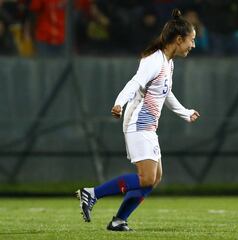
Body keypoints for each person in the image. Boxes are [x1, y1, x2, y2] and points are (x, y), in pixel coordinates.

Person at [76, 8, 200, 232]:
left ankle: (118, 221)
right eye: (191, 40)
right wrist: (119, 103)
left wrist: (185, 112)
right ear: (179, 39)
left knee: (155, 178)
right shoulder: (154, 60)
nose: (193, 45)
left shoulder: (168, 62)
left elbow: (165, 93)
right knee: (146, 178)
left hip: (149, 126)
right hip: (138, 123)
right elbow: (134, 83)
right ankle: (92, 193)